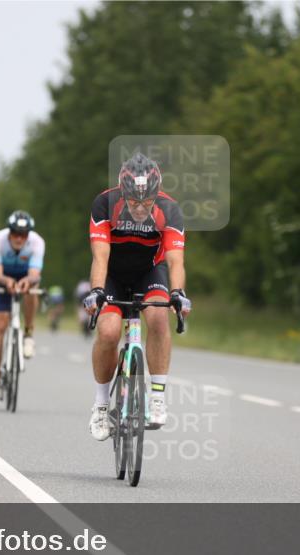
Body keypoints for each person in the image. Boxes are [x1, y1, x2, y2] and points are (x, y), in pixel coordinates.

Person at [82, 152, 192, 440]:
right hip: (112, 275)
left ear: (157, 194)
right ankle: (102, 405)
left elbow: (175, 260)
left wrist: (179, 294)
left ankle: (156, 397)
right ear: (122, 192)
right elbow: (100, 256)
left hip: (148, 272)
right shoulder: (105, 204)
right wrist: (96, 292)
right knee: (107, 332)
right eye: (134, 202)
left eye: (147, 201)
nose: (141, 208)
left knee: (158, 317)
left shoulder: (169, 209)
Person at [0, 210, 45, 399]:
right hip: (2, 278)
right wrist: (7, 282)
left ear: (28, 234)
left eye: (24, 234)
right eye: (15, 233)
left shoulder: (37, 242)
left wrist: (27, 282)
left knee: (32, 289)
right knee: (0, 325)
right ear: (9, 231)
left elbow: (35, 273)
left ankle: (28, 332)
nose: (19, 238)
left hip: (26, 277)